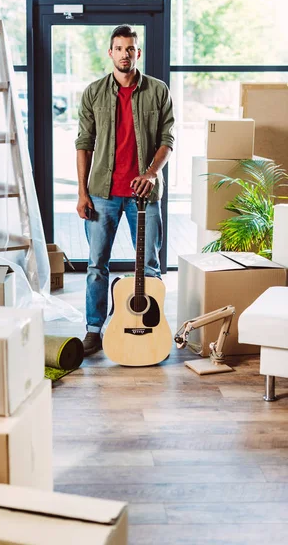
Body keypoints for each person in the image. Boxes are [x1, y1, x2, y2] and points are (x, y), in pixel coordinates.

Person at [75, 24, 175, 357]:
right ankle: (93, 330)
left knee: (149, 265)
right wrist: (82, 192)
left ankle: (148, 327)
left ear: (138, 53)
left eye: (130, 48)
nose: (125, 54)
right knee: (95, 265)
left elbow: (167, 141)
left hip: (143, 198)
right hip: (102, 192)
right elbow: (84, 144)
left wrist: (150, 174)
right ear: (110, 52)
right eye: (119, 48)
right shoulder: (93, 93)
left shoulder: (158, 91)